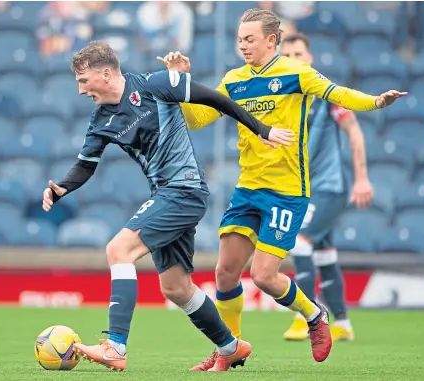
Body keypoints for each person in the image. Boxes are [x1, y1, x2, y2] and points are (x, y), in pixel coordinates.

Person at [158, 8, 406, 370]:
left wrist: (376, 102)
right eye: (240, 39)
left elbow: (339, 94)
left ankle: (314, 315)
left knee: (263, 275)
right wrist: (179, 83)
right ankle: (229, 351)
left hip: (286, 191)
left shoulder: (296, 73)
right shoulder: (234, 80)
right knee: (225, 273)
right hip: (248, 188)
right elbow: (198, 121)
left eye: (250, 39)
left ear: (272, 40)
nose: (243, 45)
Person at [41, 40, 294, 372]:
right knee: (175, 287)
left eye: (83, 80)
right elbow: (86, 165)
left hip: (185, 188)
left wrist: (261, 128)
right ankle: (230, 347)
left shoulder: (155, 84)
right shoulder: (101, 119)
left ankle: (115, 345)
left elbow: (216, 98)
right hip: (166, 193)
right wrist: (62, 188)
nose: (80, 89)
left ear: (105, 73)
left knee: (119, 249)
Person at [280, 34, 374, 342]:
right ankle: (343, 324)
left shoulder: (325, 93)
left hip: (329, 186)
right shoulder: (282, 96)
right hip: (303, 188)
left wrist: (361, 178)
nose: (294, 58)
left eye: (299, 53)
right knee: (324, 253)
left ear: (310, 57)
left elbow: (354, 131)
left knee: (301, 242)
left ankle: (304, 317)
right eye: (288, 54)